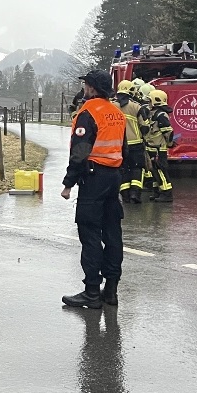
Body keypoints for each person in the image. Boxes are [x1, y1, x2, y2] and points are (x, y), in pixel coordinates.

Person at [60, 69, 126, 309]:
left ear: (93, 88)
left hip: (93, 177)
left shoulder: (87, 113)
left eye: (86, 84)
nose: (84, 87)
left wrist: (68, 183)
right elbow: (123, 149)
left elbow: (80, 151)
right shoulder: (117, 113)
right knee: (112, 234)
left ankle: (91, 292)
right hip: (113, 177)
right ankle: (111, 291)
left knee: (89, 234)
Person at [113, 80, 148, 204]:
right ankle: (135, 193)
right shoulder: (136, 106)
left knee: (123, 169)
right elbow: (144, 126)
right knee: (137, 169)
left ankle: (125, 195)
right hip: (136, 144)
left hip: (119, 144)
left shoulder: (112, 106)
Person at [146, 89, 175, 202]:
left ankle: (167, 194)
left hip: (159, 149)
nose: (148, 103)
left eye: (149, 101)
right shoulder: (152, 113)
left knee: (160, 171)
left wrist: (169, 144)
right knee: (154, 171)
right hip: (152, 147)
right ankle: (157, 191)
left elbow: (168, 132)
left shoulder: (161, 115)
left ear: (156, 101)